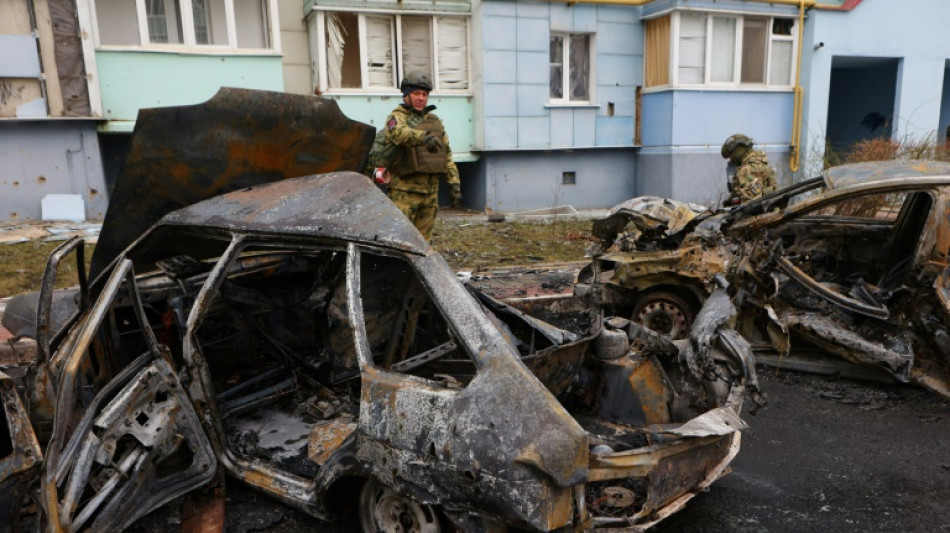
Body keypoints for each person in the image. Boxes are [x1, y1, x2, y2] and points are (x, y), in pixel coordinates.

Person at [376, 71, 461, 240]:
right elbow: (399, 134)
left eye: (425, 94)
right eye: (416, 93)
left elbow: (447, 154)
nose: (421, 98)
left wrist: (454, 183)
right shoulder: (396, 118)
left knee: (424, 243)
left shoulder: (434, 121)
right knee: (399, 241)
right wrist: (423, 137)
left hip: (430, 194)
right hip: (404, 194)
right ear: (406, 95)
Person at [721, 133, 777, 205]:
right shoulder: (759, 163)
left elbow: (751, 204)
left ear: (738, 150)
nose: (731, 160)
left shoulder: (747, 170)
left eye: (731, 156)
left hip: (759, 214)